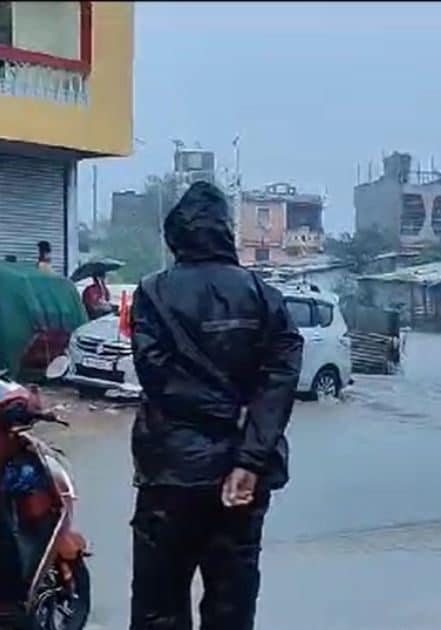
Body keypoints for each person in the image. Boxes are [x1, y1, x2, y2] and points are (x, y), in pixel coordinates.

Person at [129, 181, 304, 630]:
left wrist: (224, 417)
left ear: (175, 235)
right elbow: (280, 381)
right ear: (225, 232)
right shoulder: (264, 296)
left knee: (159, 606)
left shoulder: (154, 292)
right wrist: (247, 452)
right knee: (231, 606)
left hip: (171, 473)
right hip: (243, 476)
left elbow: (158, 378)